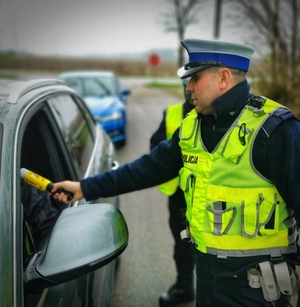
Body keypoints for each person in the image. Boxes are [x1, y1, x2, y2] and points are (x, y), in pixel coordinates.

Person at [51, 38, 300, 307]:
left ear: (224, 78)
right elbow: (147, 169)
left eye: (195, 78)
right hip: (208, 283)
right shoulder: (192, 126)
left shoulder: (275, 130)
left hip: (262, 291)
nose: (188, 87)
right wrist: (85, 187)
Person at [150, 80, 196, 306]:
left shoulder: (220, 114)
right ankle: (185, 286)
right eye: (187, 83)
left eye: (196, 81)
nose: (190, 89)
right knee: (182, 244)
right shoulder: (172, 114)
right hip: (179, 195)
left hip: (211, 196)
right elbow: (155, 152)